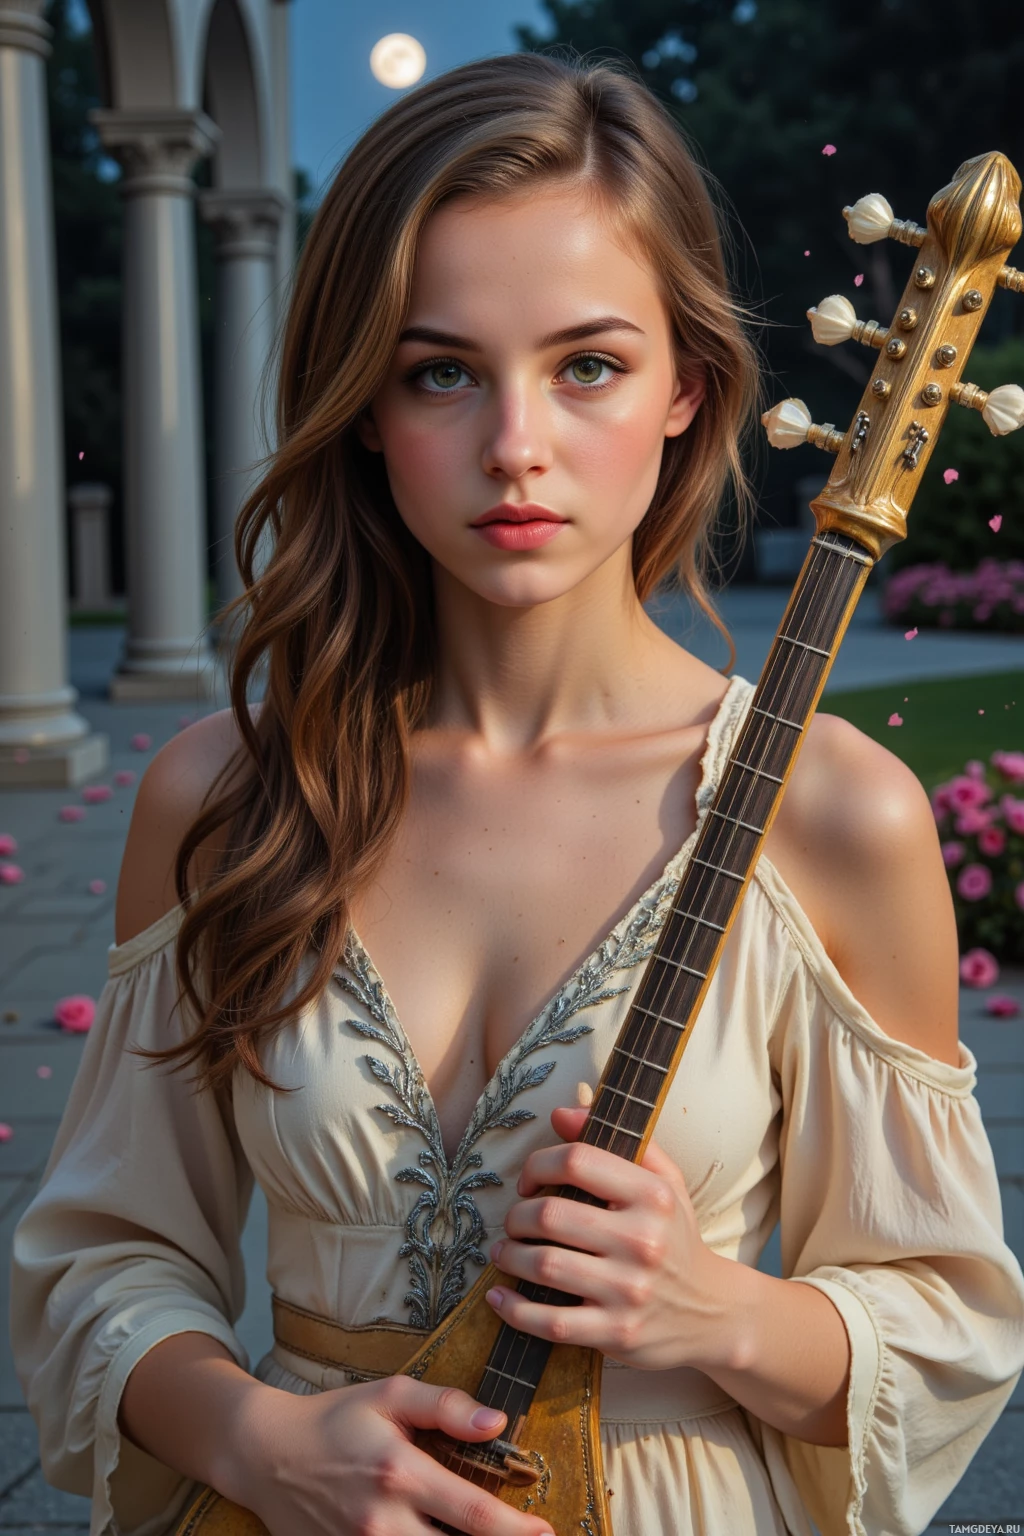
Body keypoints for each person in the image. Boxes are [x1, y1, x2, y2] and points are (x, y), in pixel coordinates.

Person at [10, 50, 1024, 1536]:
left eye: (588, 365)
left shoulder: (830, 813)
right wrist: (257, 1441)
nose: (516, 447)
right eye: (441, 372)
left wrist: (715, 1310)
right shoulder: (224, 802)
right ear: (364, 403)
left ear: (690, 387)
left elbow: (947, 1324)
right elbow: (103, 1261)